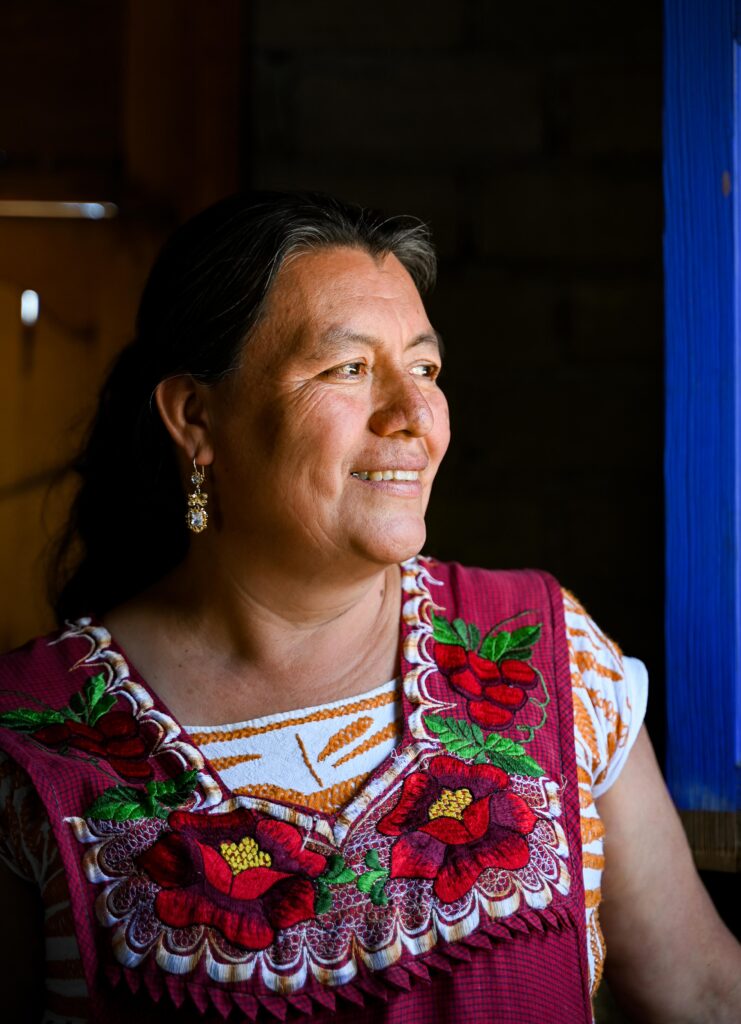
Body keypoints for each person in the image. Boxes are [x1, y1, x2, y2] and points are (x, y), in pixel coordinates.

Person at [0, 191, 738, 1024]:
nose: (415, 416)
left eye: (424, 369)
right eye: (348, 369)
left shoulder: (541, 651)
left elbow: (702, 993)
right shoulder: (31, 742)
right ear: (196, 415)